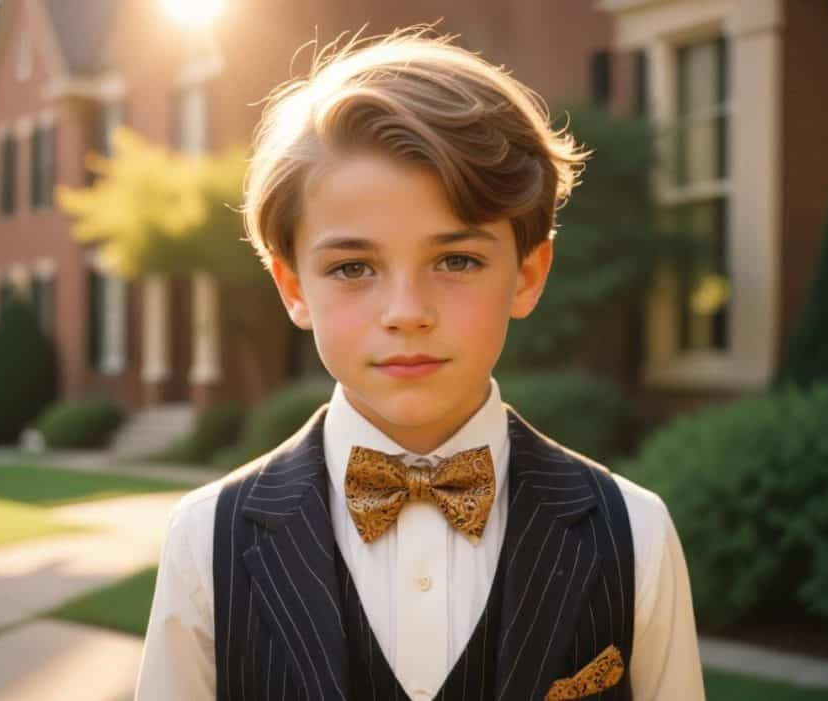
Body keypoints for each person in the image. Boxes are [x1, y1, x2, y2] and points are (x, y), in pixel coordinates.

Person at [135, 26, 705, 701]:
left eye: (456, 260)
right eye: (353, 266)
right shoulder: (206, 543)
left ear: (527, 274)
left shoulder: (633, 533)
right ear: (293, 287)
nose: (407, 310)